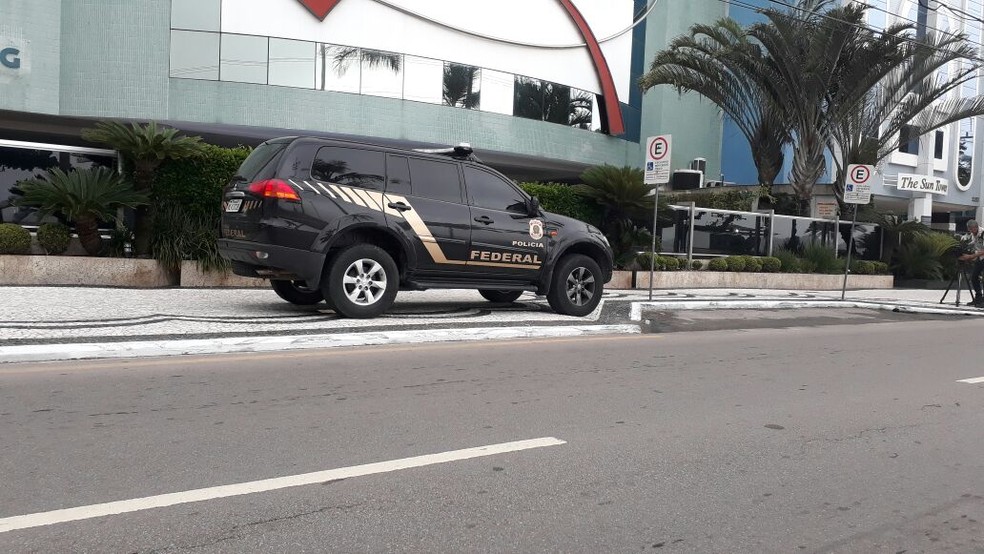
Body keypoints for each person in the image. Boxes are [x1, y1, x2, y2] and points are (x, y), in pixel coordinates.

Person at [959, 219, 984, 306]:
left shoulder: (983, 233)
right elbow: (974, 244)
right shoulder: (974, 234)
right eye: (969, 229)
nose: (970, 231)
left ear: (976, 227)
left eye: (972, 229)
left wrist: (971, 256)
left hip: (981, 257)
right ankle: (978, 298)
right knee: (974, 277)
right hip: (980, 258)